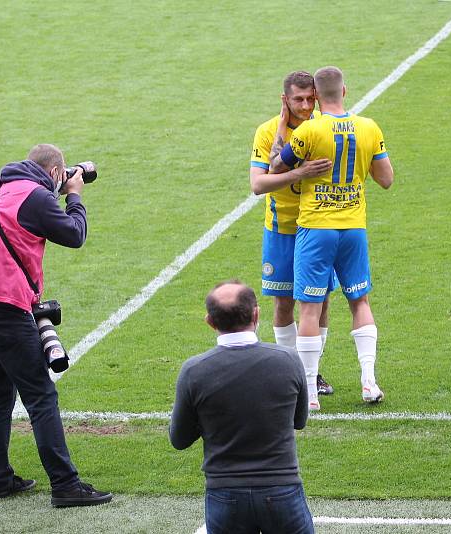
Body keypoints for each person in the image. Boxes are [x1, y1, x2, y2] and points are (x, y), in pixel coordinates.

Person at [0, 143, 112, 507]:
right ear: (56, 172)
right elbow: (75, 235)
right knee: (41, 395)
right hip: (2, 308)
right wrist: (74, 196)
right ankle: (65, 485)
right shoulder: (37, 196)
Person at [269, 66, 394, 410]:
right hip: (353, 227)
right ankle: (369, 381)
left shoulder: (309, 129)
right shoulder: (369, 127)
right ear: (345, 91)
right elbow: (386, 179)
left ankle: (309, 392)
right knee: (360, 302)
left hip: (316, 228)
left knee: (309, 308)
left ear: (317, 97)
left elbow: (277, 167)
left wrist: (283, 129)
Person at [170, 280, 313, 534]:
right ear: (256, 314)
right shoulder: (288, 360)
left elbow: (179, 439)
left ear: (210, 322)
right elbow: (299, 421)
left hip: (225, 495)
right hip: (281, 490)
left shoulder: (194, 371)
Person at [250, 70, 337, 397]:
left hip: (318, 228)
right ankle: (292, 372)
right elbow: (258, 185)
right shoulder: (267, 131)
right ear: (284, 99)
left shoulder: (323, 130)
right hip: (282, 229)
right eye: (297, 99)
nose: (304, 105)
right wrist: (300, 172)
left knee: (321, 302)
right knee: (285, 303)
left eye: (309, 98)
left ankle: (310, 372)